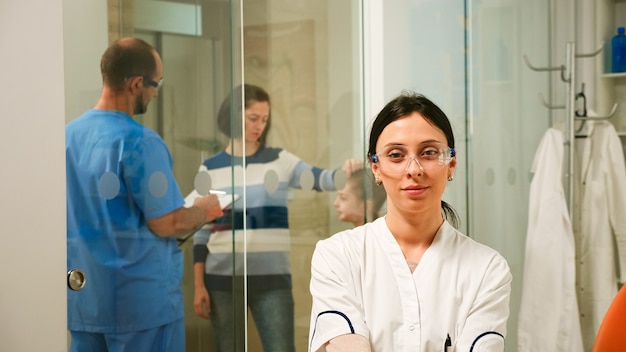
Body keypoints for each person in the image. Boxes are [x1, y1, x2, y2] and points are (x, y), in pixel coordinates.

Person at [308, 92, 512, 352]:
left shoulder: (487, 270)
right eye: (396, 155)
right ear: (376, 168)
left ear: (451, 164)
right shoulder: (337, 256)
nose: (414, 169)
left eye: (428, 153)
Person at [66, 37, 224, 352]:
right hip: (139, 308)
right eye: (156, 84)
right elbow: (168, 223)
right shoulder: (140, 142)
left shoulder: (68, 136)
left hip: (85, 301)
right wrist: (205, 209)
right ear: (137, 84)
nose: (155, 93)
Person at [192, 84, 360, 352]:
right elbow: (201, 231)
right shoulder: (209, 168)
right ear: (235, 117)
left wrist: (348, 169)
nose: (260, 126)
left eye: (265, 119)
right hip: (221, 282)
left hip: (272, 281)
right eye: (253, 118)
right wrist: (199, 285)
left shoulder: (280, 160)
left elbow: (321, 179)